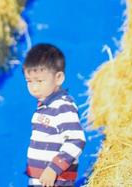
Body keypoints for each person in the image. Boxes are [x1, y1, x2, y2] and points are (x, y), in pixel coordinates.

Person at [23, 43, 86, 187]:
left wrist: (53, 168)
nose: (34, 87)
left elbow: (77, 140)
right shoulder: (44, 106)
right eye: (29, 81)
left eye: (39, 81)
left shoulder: (62, 107)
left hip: (57, 179)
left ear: (58, 78)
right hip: (40, 179)